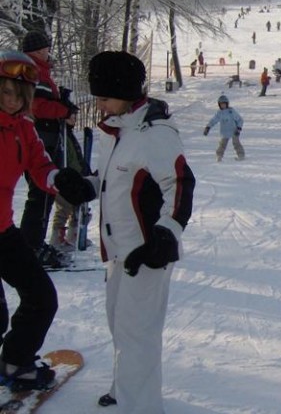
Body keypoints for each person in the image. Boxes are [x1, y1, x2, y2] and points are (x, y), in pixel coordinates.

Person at [53, 50, 195, 413]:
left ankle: (141, 407)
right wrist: (85, 186)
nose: (99, 105)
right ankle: (124, 389)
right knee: (120, 323)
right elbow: (114, 179)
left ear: (125, 93)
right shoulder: (117, 130)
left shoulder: (155, 134)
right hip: (118, 249)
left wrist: (165, 235)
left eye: (104, 97)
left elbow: (180, 184)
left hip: (147, 252)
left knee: (138, 334)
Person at [0, 50, 63, 391]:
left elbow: (40, 165)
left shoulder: (23, 128)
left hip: (2, 230)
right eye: (6, 92)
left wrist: (61, 180)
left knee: (41, 298)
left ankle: (16, 362)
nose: (12, 100)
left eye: (20, 95)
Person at [19, 30, 78, 267]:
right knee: (41, 193)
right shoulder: (32, 71)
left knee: (43, 193)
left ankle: (32, 243)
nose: (47, 52)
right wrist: (63, 110)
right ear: (37, 50)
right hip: (41, 138)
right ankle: (31, 246)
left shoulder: (38, 71)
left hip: (45, 137)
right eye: (44, 48)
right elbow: (37, 105)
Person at [204, 94, 245, 161]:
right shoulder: (219, 113)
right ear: (219, 105)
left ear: (227, 104)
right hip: (224, 132)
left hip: (234, 131)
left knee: (236, 143)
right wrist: (208, 127)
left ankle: (241, 155)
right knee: (222, 144)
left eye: (224, 104)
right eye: (221, 104)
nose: (223, 105)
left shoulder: (231, 111)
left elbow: (240, 120)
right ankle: (219, 156)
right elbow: (213, 120)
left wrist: (239, 128)